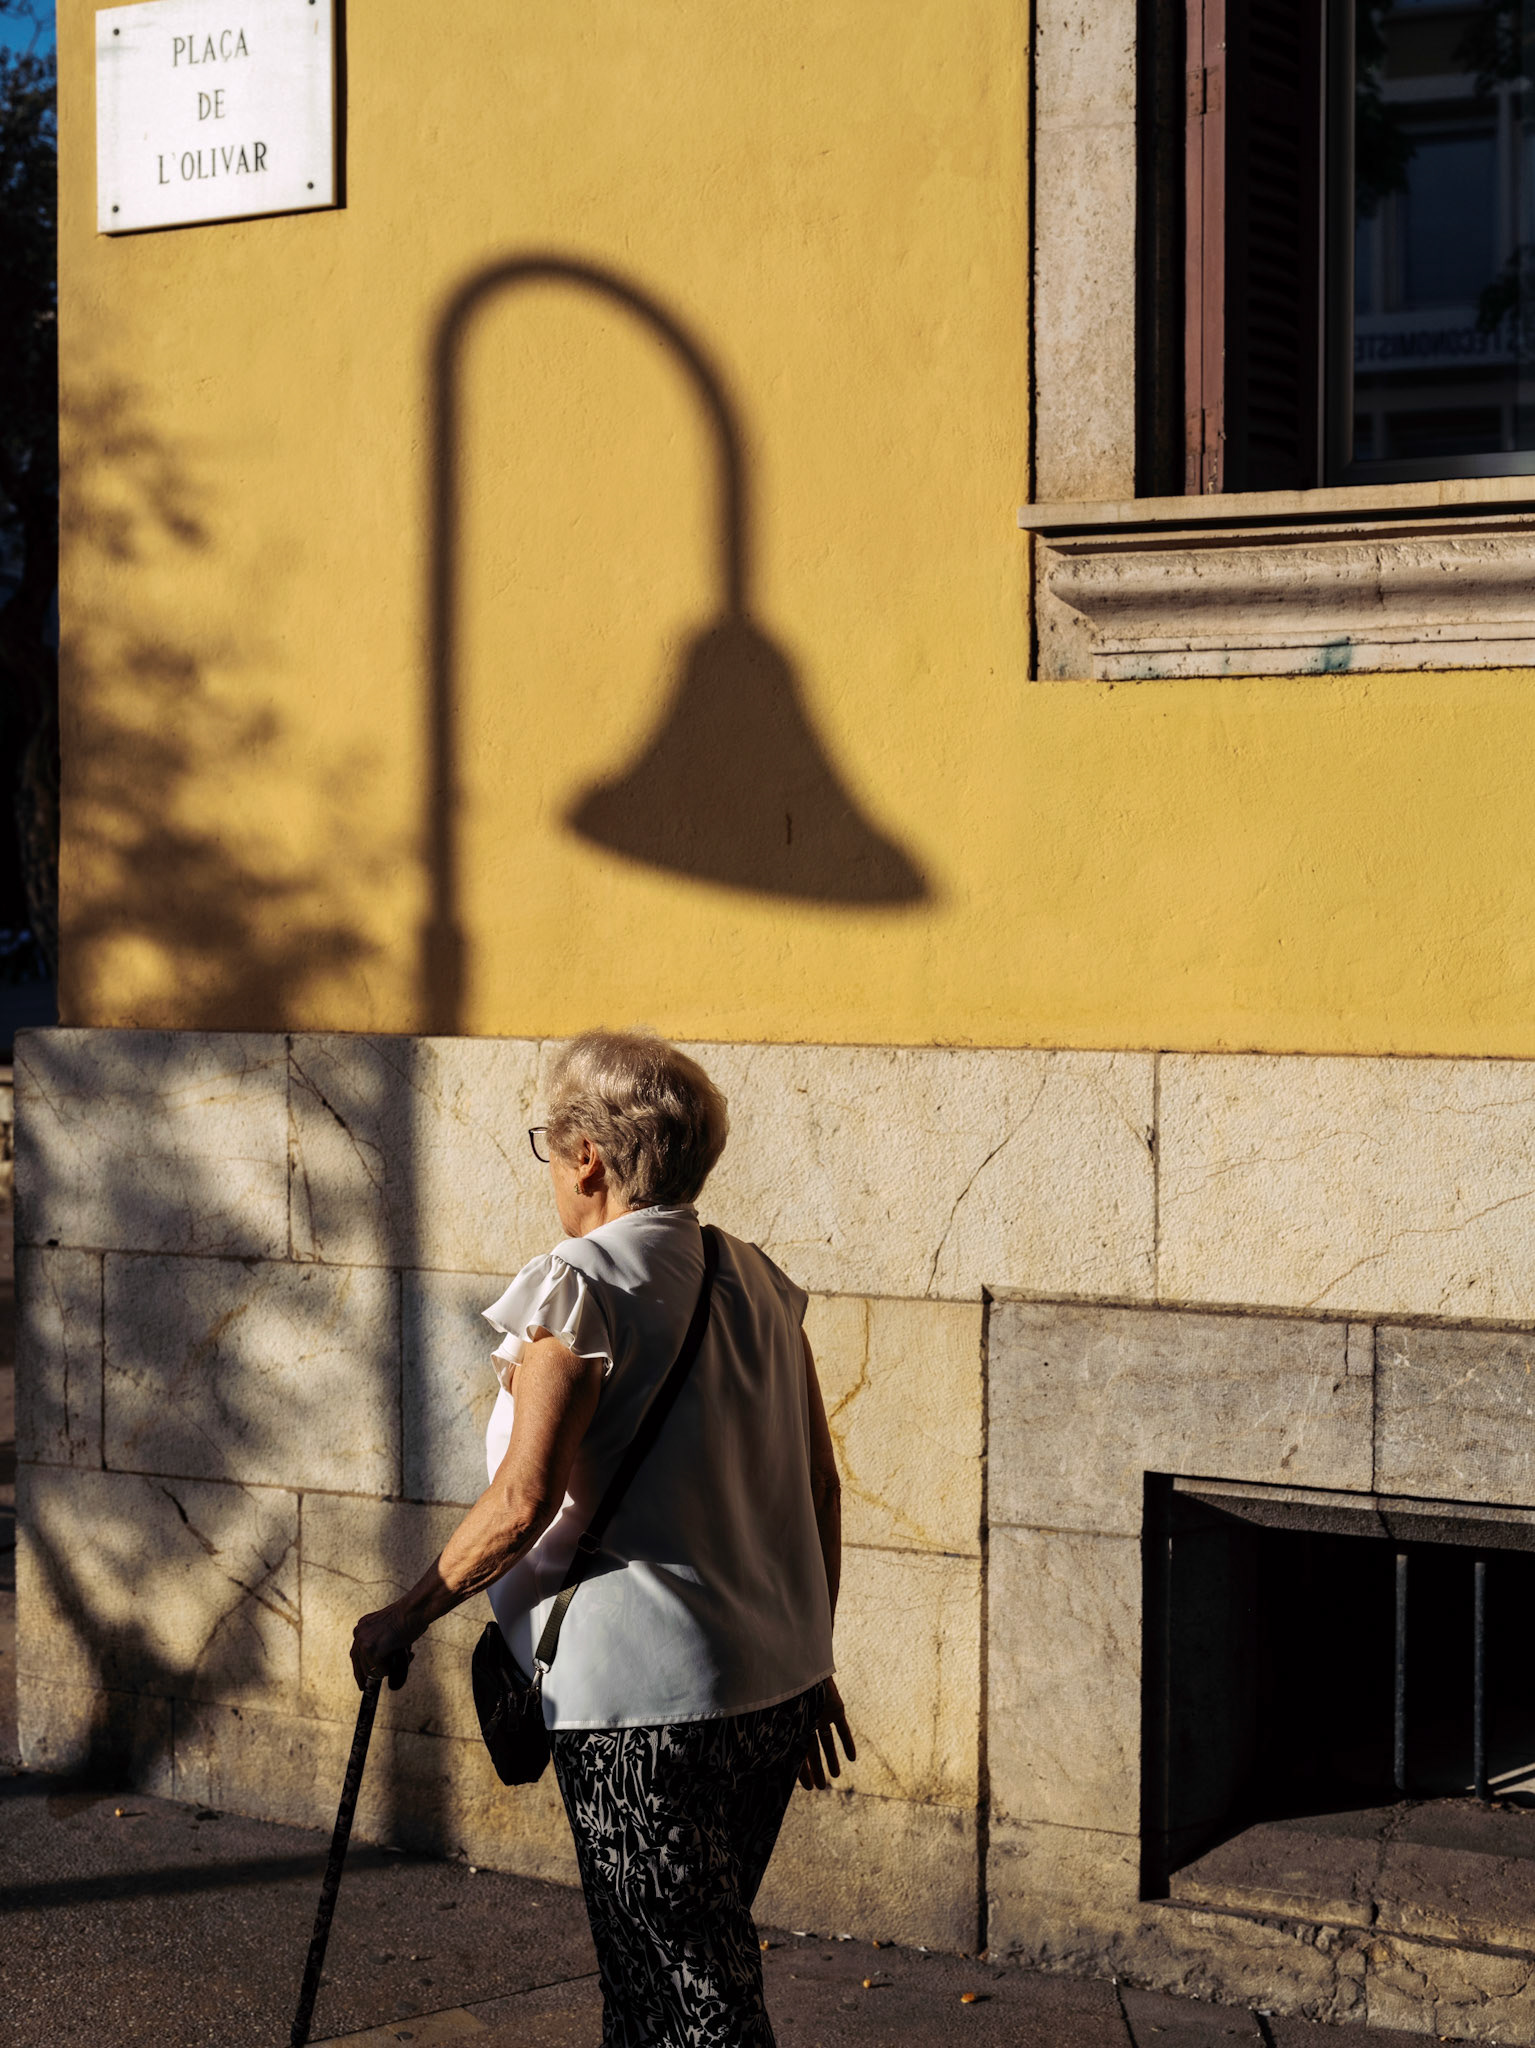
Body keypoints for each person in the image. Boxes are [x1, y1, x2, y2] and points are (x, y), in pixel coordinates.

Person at [351, 1028, 854, 2048]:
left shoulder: (577, 1285)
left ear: (586, 1152)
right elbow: (817, 1487)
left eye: (548, 1140)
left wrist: (402, 1614)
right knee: (649, 1989)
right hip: (768, 1692)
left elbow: (519, 1499)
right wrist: (813, 1657)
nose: (549, 1165)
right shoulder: (755, 1278)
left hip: (641, 1713)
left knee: (692, 1998)